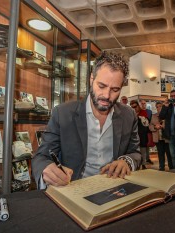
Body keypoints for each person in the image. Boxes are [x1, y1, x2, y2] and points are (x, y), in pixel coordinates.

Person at [32, 51, 141, 188]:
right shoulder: (63, 113)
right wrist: (46, 169)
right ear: (91, 79)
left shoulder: (128, 115)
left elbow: (135, 153)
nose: (106, 96)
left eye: (115, 89)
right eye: (101, 86)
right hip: (74, 189)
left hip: (114, 188)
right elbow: (41, 157)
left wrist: (127, 161)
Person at [149, 101, 173, 171]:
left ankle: (171, 167)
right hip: (158, 138)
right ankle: (161, 167)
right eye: (157, 107)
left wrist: (164, 126)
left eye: (160, 106)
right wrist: (155, 127)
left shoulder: (167, 115)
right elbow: (150, 126)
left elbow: (171, 125)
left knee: (169, 153)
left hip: (166, 138)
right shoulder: (153, 116)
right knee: (160, 153)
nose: (158, 108)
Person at [129, 100, 149, 169]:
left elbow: (146, 124)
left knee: (143, 150)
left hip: (142, 134)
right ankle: (137, 165)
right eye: (132, 107)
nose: (134, 108)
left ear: (138, 106)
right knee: (135, 151)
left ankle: (143, 164)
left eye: (135, 106)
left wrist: (140, 118)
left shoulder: (143, 112)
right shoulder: (131, 113)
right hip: (134, 135)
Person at [140, 99, 154, 165]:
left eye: (144, 103)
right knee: (142, 146)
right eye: (142, 103)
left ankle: (147, 158)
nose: (143, 105)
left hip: (148, 131)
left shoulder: (149, 112)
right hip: (141, 132)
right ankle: (143, 160)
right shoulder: (139, 112)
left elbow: (151, 121)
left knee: (148, 145)